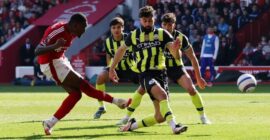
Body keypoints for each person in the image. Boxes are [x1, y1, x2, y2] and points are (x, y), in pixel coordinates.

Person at [35, 13, 131, 135]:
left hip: (60, 60)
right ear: (75, 25)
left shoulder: (72, 31)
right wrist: (54, 46)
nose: (84, 30)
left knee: (76, 95)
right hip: (50, 63)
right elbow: (37, 50)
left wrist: (57, 49)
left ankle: (49, 123)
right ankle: (117, 101)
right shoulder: (57, 31)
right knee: (84, 86)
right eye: (83, 27)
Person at [116, 13, 211, 125]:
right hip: (159, 70)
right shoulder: (156, 34)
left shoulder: (181, 38)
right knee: (141, 90)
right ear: (161, 24)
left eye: (170, 25)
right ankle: (127, 117)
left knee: (191, 89)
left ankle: (203, 117)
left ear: (174, 25)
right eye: (165, 24)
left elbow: (193, 57)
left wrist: (199, 77)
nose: (167, 27)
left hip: (176, 69)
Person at [109, 6, 188, 134]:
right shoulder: (134, 35)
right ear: (140, 20)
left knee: (160, 117)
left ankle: (132, 126)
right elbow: (121, 50)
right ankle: (174, 126)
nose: (147, 24)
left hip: (161, 74)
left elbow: (177, 56)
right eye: (145, 21)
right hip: (145, 74)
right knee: (162, 95)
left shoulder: (162, 34)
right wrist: (112, 68)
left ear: (154, 19)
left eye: (150, 21)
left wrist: (176, 49)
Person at [93, 17, 143, 119]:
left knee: (146, 83)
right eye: (114, 27)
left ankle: (131, 103)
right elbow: (108, 55)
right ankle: (102, 107)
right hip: (115, 68)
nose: (116, 30)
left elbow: (138, 51)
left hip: (131, 68)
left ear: (123, 28)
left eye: (119, 27)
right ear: (111, 29)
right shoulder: (107, 42)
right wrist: (109, 68)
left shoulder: (129, 38)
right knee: (100, 78)